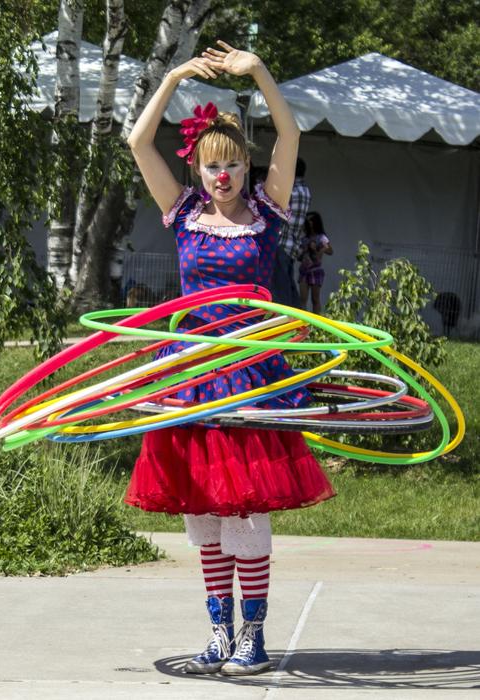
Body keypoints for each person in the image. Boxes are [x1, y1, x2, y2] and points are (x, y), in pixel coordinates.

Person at [125, 40, 334, 676]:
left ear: (246, 168)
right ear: (196, 169)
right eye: (213, 166)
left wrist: (260, 73)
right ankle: (217, 632)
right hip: (193, 372)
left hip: (252, 372)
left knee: (245, 510)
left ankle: (254, 636)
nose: (223, 176)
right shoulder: (182, 211)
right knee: (206, 514)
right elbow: (139, 142)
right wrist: (176, 75)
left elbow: (291, 132)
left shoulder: (267, 211)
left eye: (234, 165)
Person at [270, 157, 311, 307]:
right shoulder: (305, 191)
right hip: (293, 244)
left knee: (280, 289)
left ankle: (284, 321)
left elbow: (277, 212)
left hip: (282, 242)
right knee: (289, 285)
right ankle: (296, 319)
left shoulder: (291, 192)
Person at [298, 211, 333, 314]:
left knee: (315, 298)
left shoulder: (321, 237)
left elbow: (330, 250)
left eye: (311, 221)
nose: (309, 223)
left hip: (315, 269)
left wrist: (320, 250)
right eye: (308, 221)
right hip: (304, 270)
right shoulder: (304, 239)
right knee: (302, 299)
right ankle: (302, 322)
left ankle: (316, 325)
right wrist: (304, 251)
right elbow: (299, 256)